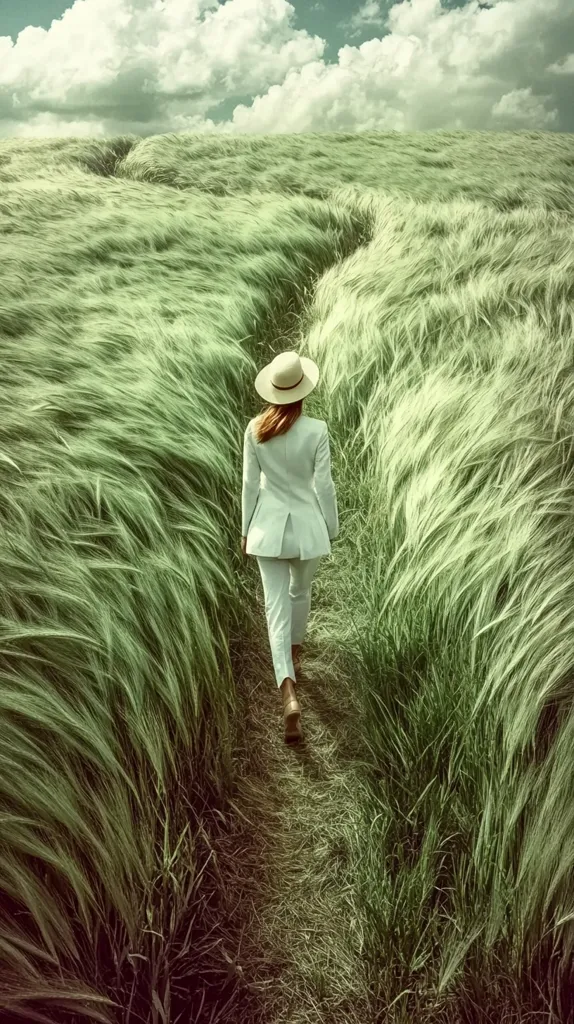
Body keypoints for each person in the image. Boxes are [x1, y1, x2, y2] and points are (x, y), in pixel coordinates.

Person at [241, 350, 339, 744]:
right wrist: (330, 527)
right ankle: (296, 654)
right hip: (308, 528)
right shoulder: (316, 430)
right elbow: (324, 486)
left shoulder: (254, 430)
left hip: (267, 529)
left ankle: (287, 690)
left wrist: (246, 528)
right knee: (301, 592)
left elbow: (250, 485)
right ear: (303, 391)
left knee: (274, 606)